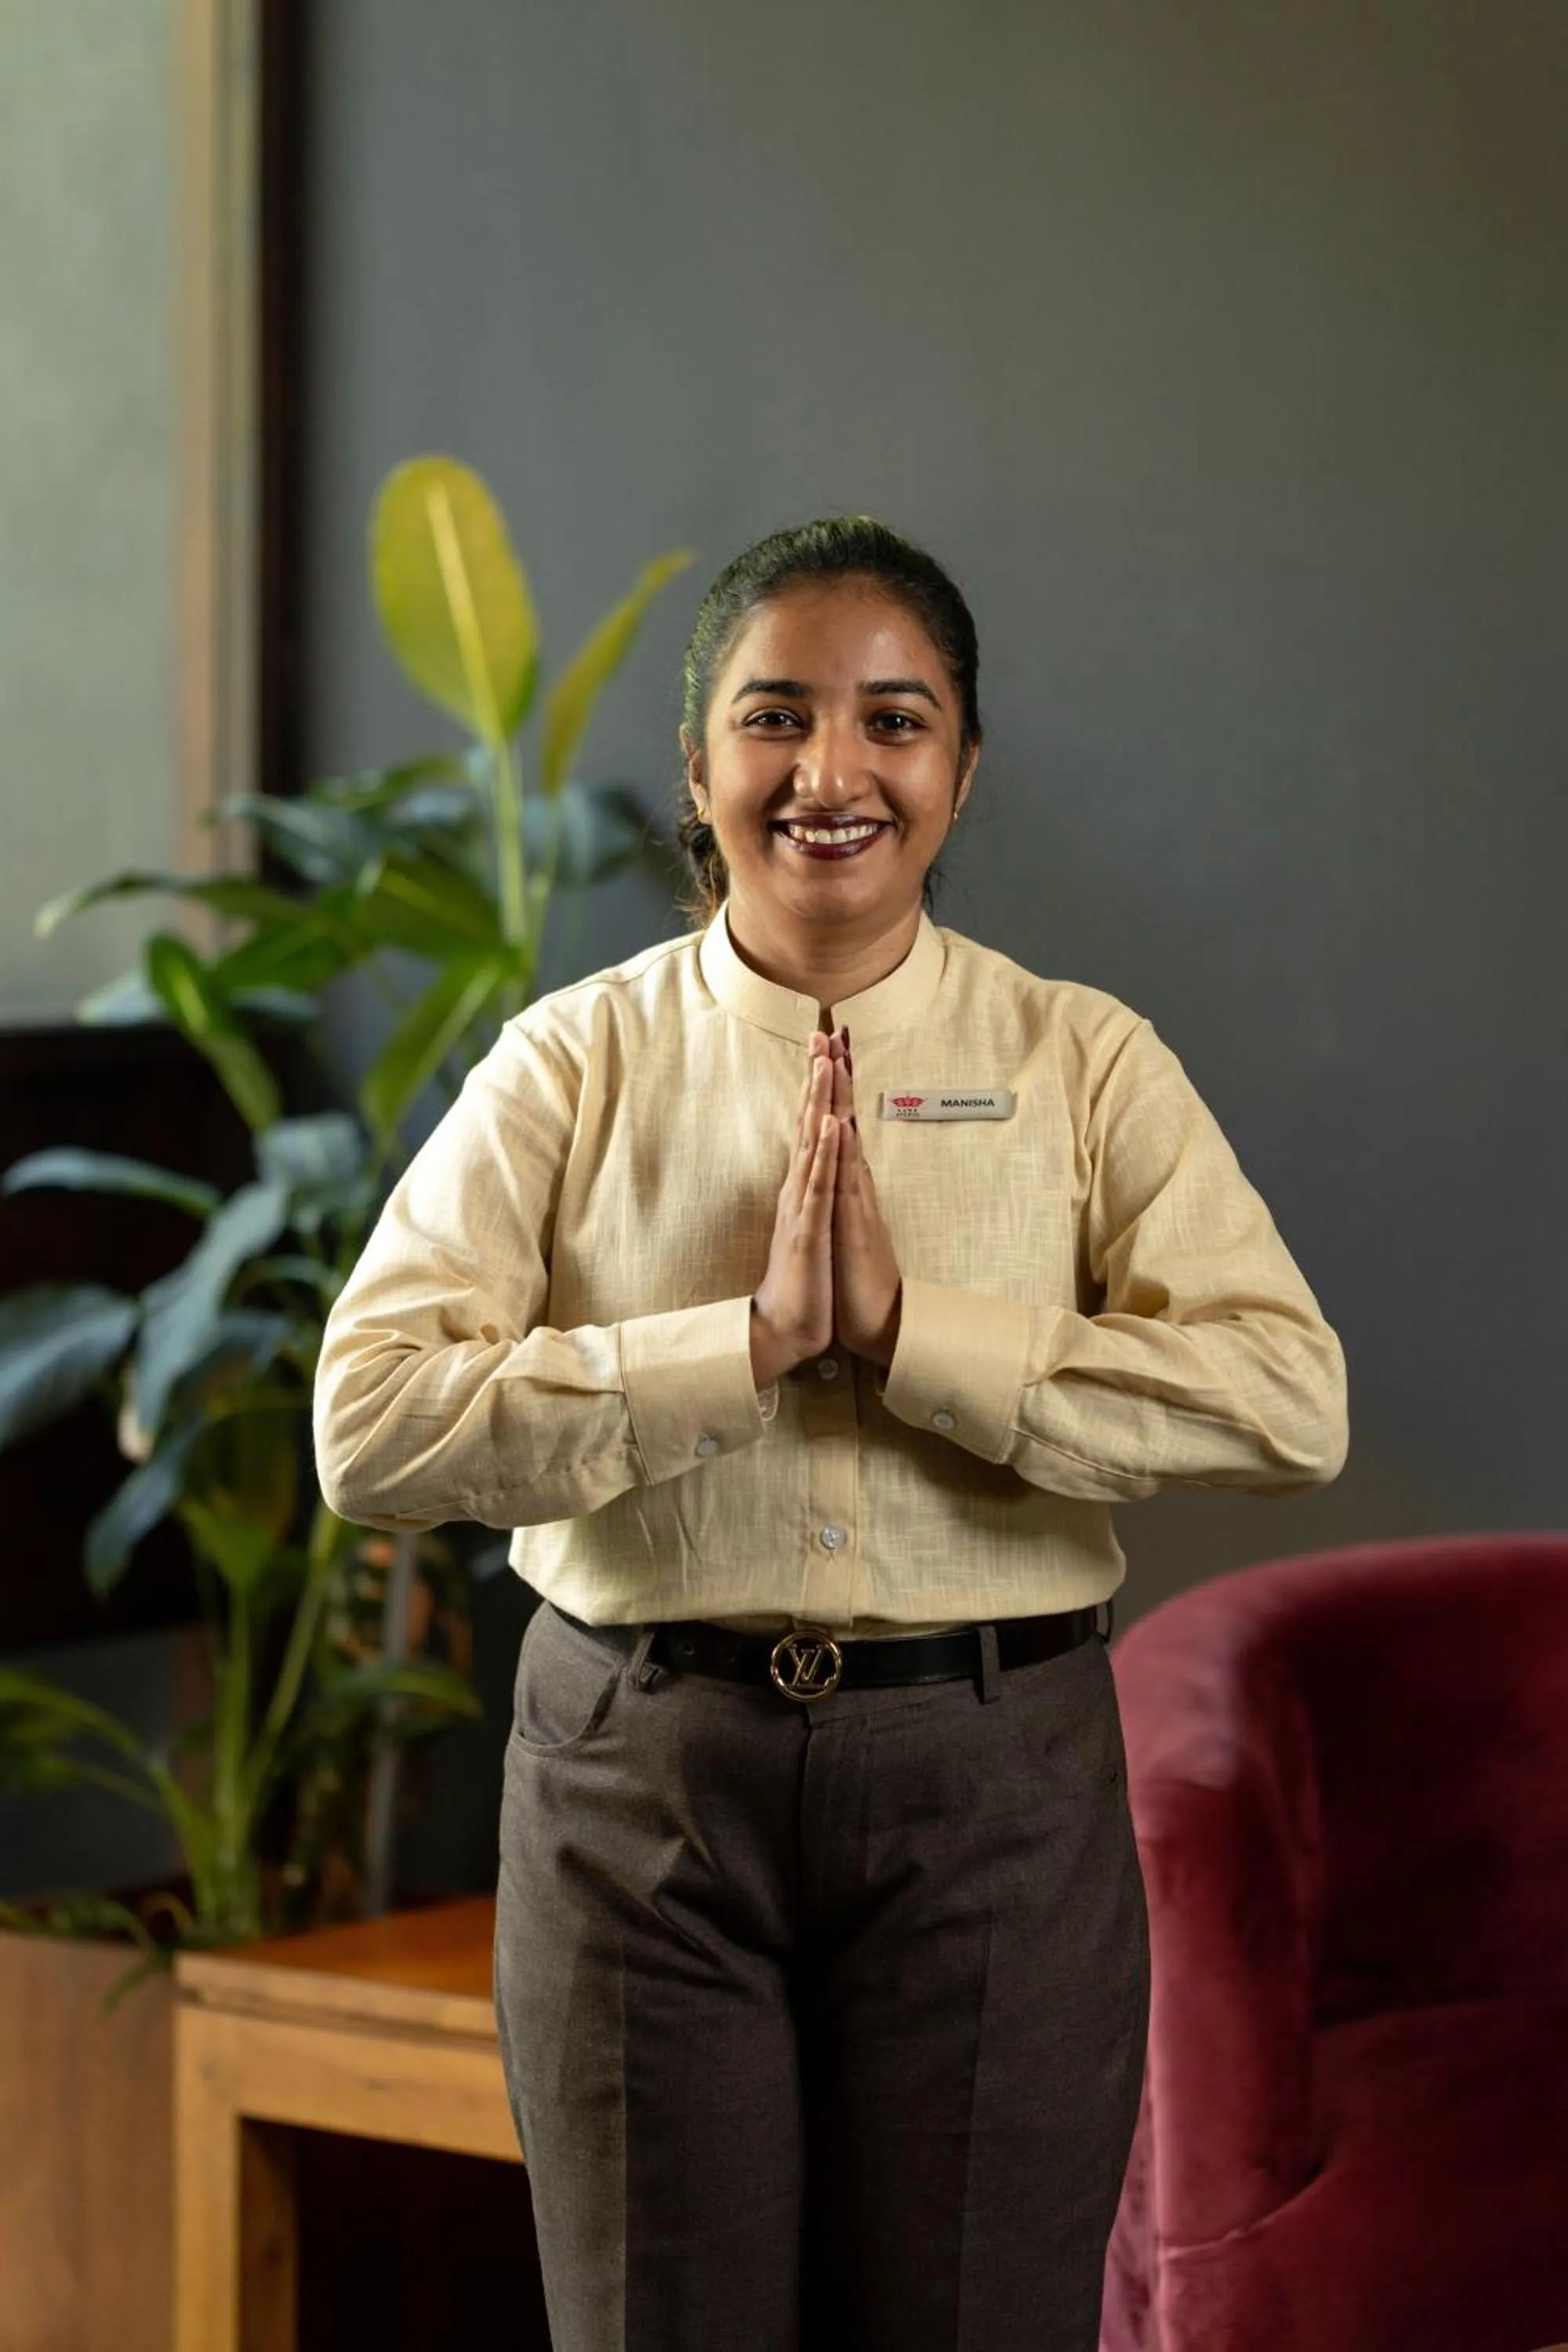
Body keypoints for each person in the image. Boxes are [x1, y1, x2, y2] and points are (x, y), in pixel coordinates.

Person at [313, 517, 1349, 2352]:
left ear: (961, 772)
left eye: (894, 718)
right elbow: (370, 1428)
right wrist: (743, 1349)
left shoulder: (1082, 1058)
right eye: (775, 718)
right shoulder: (570, 1063)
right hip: (641, 1792)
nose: (831, 770)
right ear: (701, 770)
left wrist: (906, 1338)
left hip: (996, 1795)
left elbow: (1285, 1393)